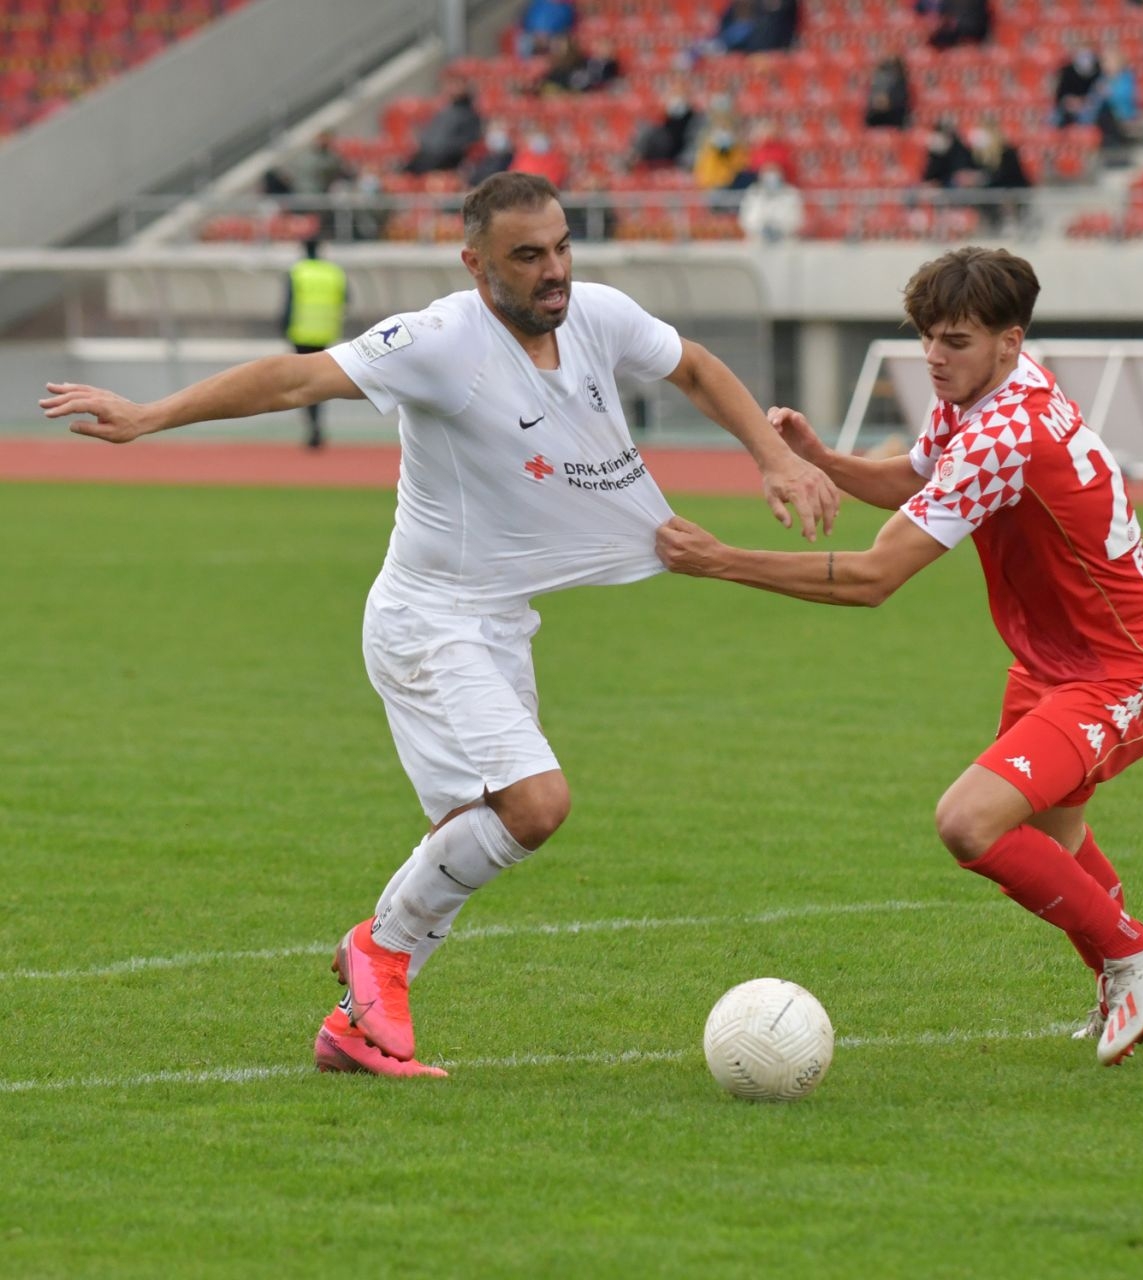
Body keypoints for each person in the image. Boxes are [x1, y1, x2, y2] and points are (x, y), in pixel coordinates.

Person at [40, 173, 837, 1077]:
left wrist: (772, 458)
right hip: (427, 618)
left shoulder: (597, 316)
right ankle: (377, 950)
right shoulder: (440, 340)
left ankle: (353, 1027)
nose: (554, 273)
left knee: (478, 824)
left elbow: (691, 364)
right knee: (536, 804)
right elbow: (297, 375)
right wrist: (152, 415)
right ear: (476, 264)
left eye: (562, 247)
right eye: (527, 257)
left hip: (499, 621)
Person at [653, 247, 1143, 1066]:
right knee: (1054, 831)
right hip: (1053, 662)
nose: (935, 359)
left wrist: (721, 560)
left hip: (1124, 670)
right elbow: (917, 477)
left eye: (956, 342)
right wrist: (823, 461)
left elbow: (873, 577)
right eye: (927, 339)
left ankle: (1136, 951)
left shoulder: (1004, 433)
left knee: (968, 822)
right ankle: (1134, 995)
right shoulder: (992, 394)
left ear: (1010, 341)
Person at [281, 239, 348, 449]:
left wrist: (284, 328)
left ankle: (312, 427)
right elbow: (346, 299)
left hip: (301, 333)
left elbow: (289, 303)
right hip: (326, 332)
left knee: (302, 382)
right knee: (319, 382)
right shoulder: (333, 272)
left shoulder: (298, 271)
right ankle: (318, 424)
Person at [403, 86, 484, 176]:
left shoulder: (471, 116)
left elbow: (469, 140)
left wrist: (444, 147)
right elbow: (429, 132)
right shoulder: (445, 112)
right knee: (406, 168)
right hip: (429, 153)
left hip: (449, 157)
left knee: (421, 168)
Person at [739, 166, 804, 242]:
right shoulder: (754, 193)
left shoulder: (790, 194)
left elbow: (797, 218)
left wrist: (780, 229)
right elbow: (746, 219)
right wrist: (761, 228)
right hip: (757, 239)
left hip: (786, 239)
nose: (771, 180)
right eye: (768, 176)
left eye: (774, 175)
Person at [864, 53, 912, 129]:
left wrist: (889, 103)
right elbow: (872, 99)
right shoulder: (876, 79)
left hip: (895, 117)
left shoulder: (901, 82)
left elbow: (901, 100)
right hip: (876, 116)